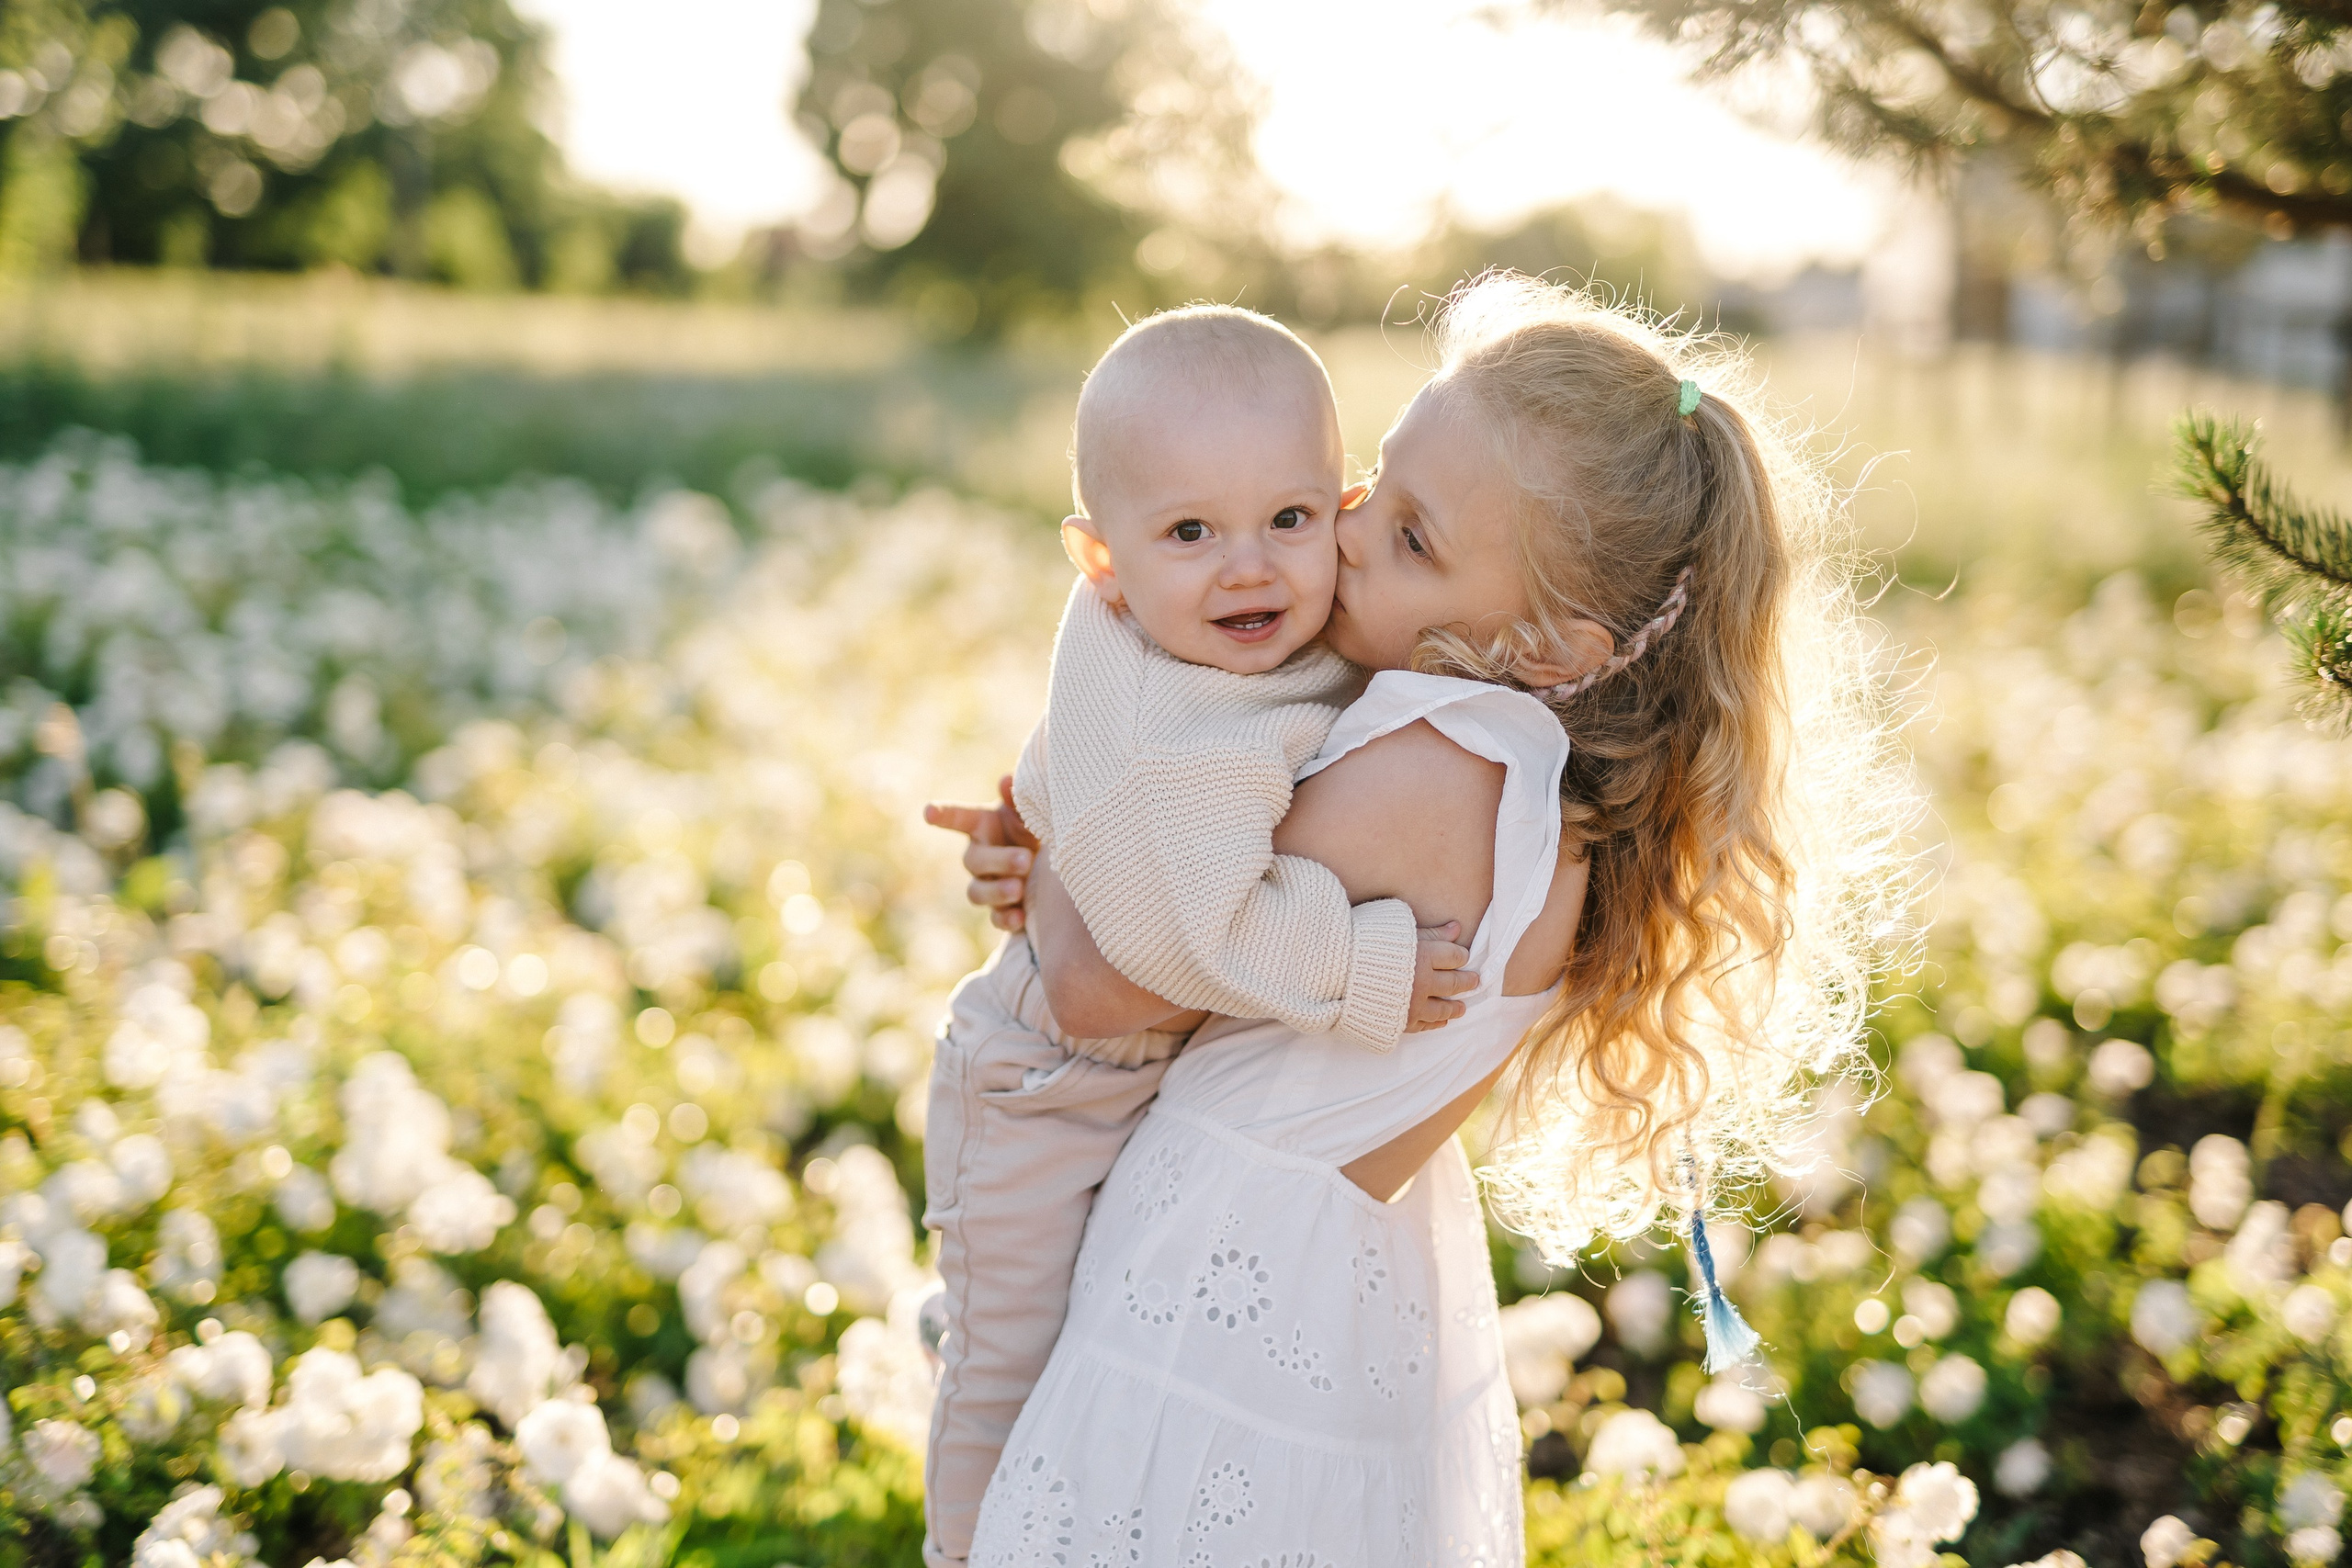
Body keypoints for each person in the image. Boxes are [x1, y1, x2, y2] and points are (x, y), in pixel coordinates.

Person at [936, 271, 1907, 1563]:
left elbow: (1106, 979)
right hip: (1329, 1297)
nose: (1338, 536)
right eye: (1371, 489)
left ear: (1553, 648)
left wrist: (1063, 840)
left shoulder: (1436, 776)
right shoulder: (1550, 785)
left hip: (1210, 1289)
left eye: (1409, 537)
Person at [917, 304, 1478, 1568]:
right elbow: (1184, 946)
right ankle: (964, 1549)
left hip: (1137, 1075)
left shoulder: (1260, 634)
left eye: (1289, 519)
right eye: (1189, 533)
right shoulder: (1165, 736)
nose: (1250, 569)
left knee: (1084, 1344)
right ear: (1099, 560)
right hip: (1041, 1080)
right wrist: (1362, 966)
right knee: (1005, 1365)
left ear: (1339, 507)